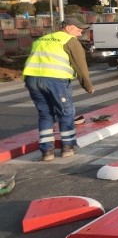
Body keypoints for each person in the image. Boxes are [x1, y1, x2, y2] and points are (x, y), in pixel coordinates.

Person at [22, 17, 95, 161]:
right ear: (68, 27)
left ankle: (47, 151)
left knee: (45, 115)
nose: (80, 34)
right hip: (55, 80)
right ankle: (68, 147)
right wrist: (88, 86)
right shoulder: (70, 41)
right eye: (79, 30)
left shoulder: (42, 39)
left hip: (32, 79)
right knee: (66, 113)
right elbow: (80, 66)